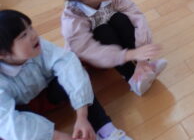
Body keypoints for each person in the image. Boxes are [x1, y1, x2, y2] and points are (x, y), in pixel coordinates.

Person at [0, 9, 132, 140]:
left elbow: (68, 65)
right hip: (19, 107)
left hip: (48, 92)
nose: (33, 35)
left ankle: (105, 129)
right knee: (8, 131)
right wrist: (59, 137)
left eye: (30, 28)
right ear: (3, 54)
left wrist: (82, 116)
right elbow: (9, 123)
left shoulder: (38, 45)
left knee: (75, 72)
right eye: (23, 35)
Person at [59, 0, 166, 96]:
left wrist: (141, 55)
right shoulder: (73, 20)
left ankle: (143, 66)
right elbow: (91, 51)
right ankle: (131, 77)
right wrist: (129, 55)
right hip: (96, 58)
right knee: (102, 31)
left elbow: (137, 16)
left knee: (119, 18)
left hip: (115, 44)